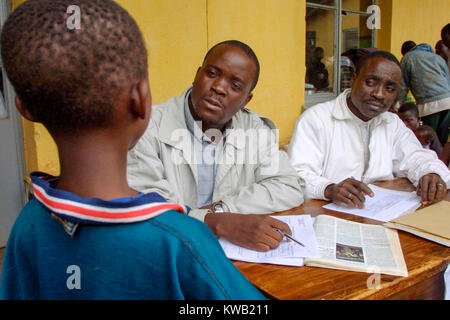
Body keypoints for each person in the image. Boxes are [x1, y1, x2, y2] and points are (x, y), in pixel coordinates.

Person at [0, 0, 265, 300]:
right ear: (142, 100)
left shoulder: (26, 227)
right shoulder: (184, 241)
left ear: (25, 108)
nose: (219, 88)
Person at [127, 40, 305, 252]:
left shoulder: (255, 129)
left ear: (246, 100)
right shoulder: (146, 126)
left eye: (235, 86)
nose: (219, 87)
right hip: (166, 251)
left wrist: (222, 210)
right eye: (211, 73)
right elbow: (144, 206)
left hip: (235, 254)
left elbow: (289, 186)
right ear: (197, 75)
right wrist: (216, 223)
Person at [288, 51, 450, 209]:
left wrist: (431, 173)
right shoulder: (317, 119)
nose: (379, 94)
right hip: (329, 212)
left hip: (382, 211)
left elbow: (416, 157)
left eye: (389, 88)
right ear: (353, 80)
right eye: (371, 82)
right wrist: (329, 188)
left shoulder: (392, 122)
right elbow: (297, 176)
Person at [400, 42, 450, 146]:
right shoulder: (437, 58)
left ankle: (434, 160)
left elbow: (402, 85)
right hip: (447, 101)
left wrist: (398, 105)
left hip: (429, 105)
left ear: (404, 53)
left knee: (429, 139)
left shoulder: (407, 58)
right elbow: (447, 79)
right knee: (443, 139)